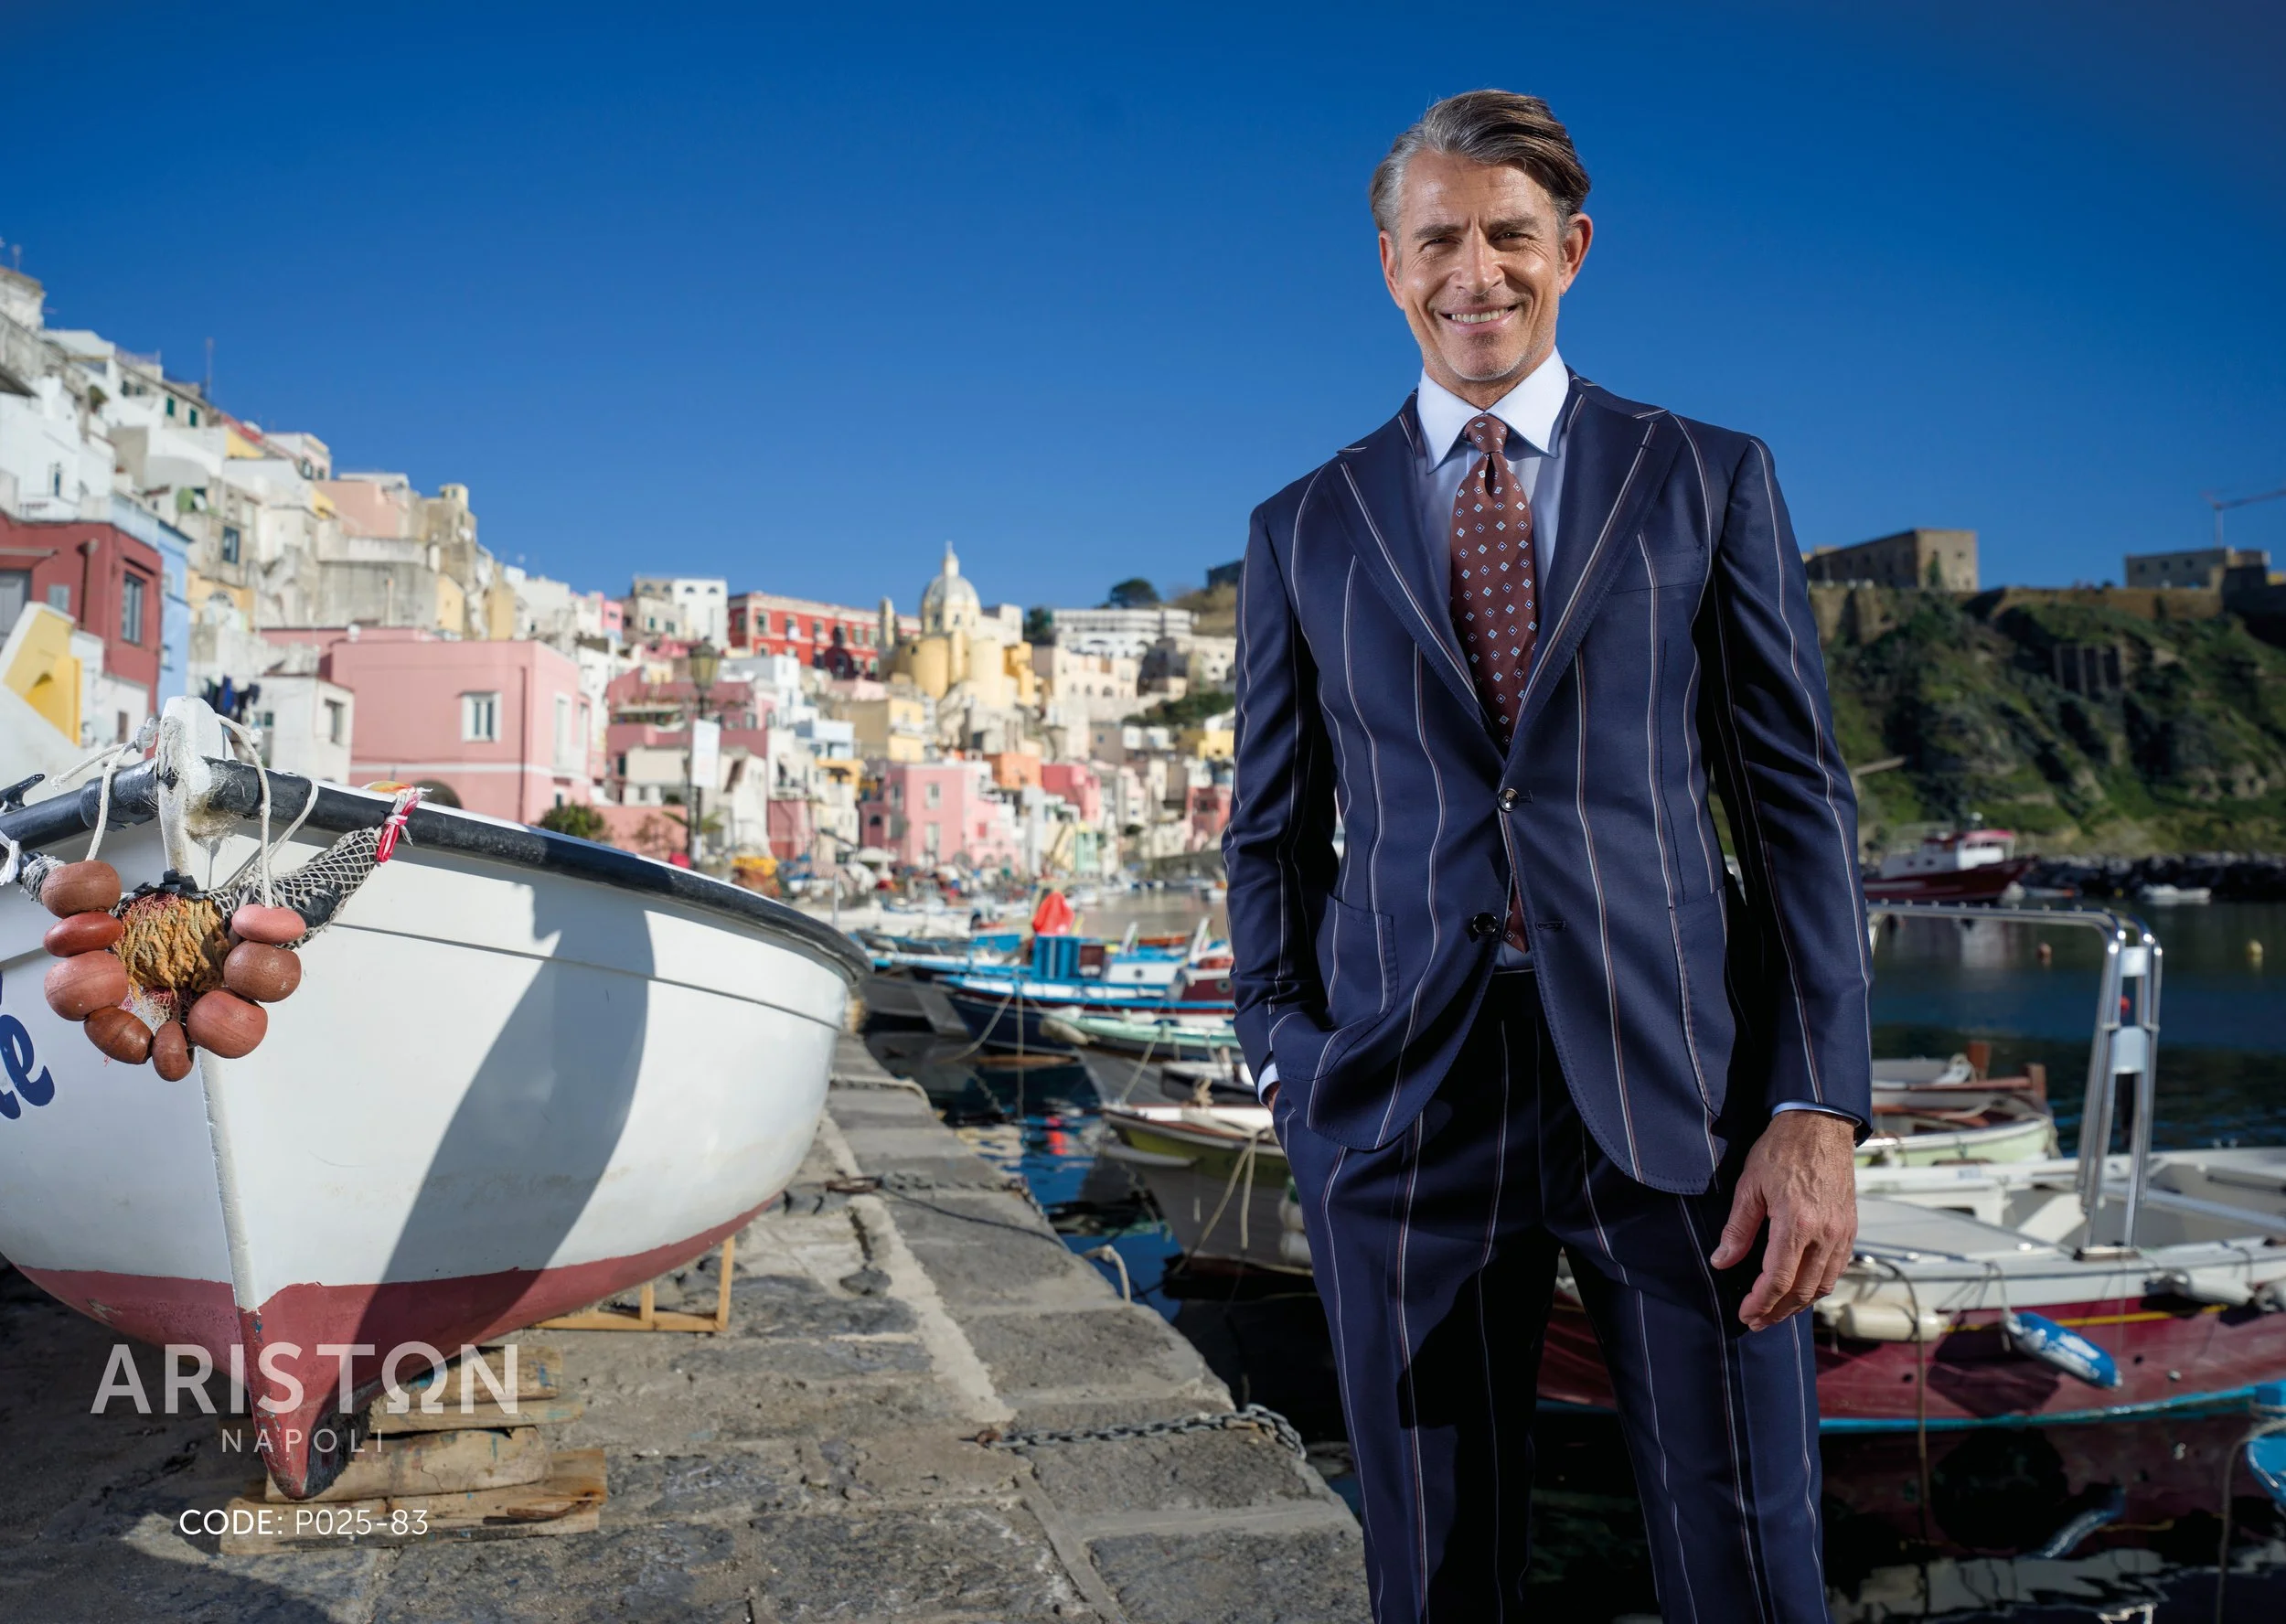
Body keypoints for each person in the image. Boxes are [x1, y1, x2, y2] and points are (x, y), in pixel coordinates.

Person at [1223, 90, 1873, 1621]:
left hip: (1687, 1104)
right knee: (1438, 1575)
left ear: (1570, 249)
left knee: (1751, 1565)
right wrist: (1286, 1060)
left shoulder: (1705, 476)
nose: (1477, 272)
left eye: (1510, 236)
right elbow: (1268, 830)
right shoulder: (1299, 526)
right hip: (1401, 1111)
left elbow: (1794, 811)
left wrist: (1814, 1101)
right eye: (1439, 238)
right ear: (1389, 264)